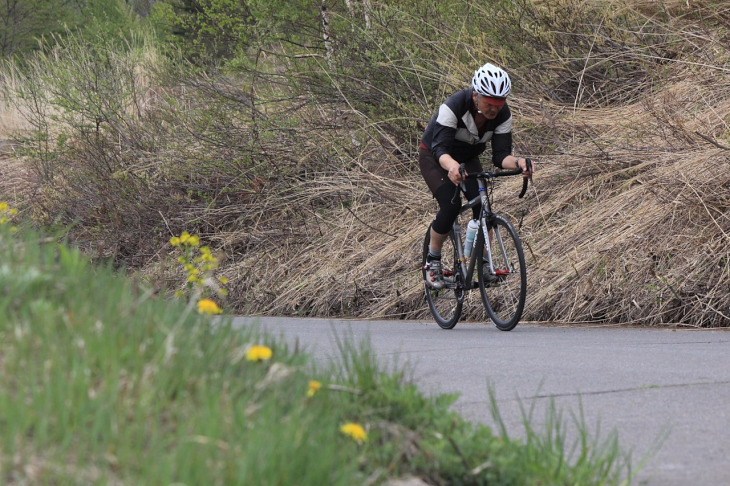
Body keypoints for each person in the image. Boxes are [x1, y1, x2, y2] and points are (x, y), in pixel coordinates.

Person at [419, 62, 535, 289]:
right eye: (489, 103)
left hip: (468, 158)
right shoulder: (453, 107)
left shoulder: (503, 115)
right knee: (450, 205)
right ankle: (432, 261)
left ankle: (483, 264)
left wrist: (519, 162)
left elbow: (500, 157)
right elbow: (440, 150)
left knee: (483, 207)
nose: (494, 109)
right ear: (475, 95)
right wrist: (452, 166)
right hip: (435, 157)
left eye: (499, 104)